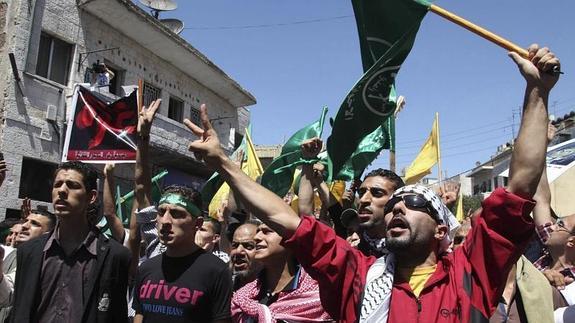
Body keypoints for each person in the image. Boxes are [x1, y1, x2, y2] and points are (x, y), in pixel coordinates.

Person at [184, 44, 560, 322]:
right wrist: (224, 164)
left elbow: (521, 186)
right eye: (395, 204)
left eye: (413, 204)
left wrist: (537, 92)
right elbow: (287, 219)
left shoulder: (470, 271)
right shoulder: (358, 274)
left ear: (441, 228)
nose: (397, 207)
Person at [131, 100, 232, 323]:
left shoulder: (216, 270)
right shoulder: (146, 267)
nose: (165, 221)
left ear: (197, 224)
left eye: (177, 214)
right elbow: (140, 315)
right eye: (161, 212)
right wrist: (143, 138)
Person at [9, 161, 131, 322]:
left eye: (72, 185)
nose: (62, 191)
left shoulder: (115, 256)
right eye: (57, 184)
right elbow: (19, 308)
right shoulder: (29, 251)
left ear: (91, 196)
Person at [231, 223, 331, 322]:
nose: (257, 237)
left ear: (290, 240)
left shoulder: (318, 294)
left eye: (267, 232)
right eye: (257, 232)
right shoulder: (244, 297)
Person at [0, 208, 57, 321]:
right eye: (26, 221)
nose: (24, 226)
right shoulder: (10, 254)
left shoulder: (49, 262)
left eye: (35, 224)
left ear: (47, 234)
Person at [230, 221, 261, 291]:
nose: (238, 251)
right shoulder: (223, 284)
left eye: (248, 246)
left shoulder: (271, 288)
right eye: (235, 245)